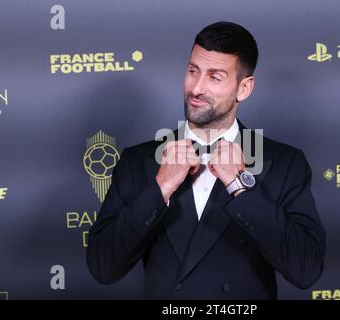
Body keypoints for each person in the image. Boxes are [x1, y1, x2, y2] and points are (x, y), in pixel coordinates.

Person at [86, 21, 326, 299]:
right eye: (193, 71)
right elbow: (103, 268)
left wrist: (240, 186)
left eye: (215, 77)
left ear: (244, 88)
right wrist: (160, 188)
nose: (197, 88)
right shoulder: (138, 161)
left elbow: (306, 270)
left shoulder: (285, 163)